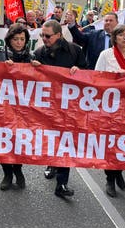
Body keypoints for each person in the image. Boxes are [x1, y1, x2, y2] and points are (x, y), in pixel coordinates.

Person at [32, 20, 86, 198]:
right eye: (42, 35)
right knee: (51, 138)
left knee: (66, 142)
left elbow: (89, 75)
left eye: (47, 36)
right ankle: (51, 163)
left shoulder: (75, 51)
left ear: (58, 35)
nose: (44, 39)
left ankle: (62, 183)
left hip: (70, 106)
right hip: (48, 106)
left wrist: (79, 70)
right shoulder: (39, 53)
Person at [94, 24, 125, 197]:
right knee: (111, 142)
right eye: (121, 35)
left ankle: (119, 170)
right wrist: (115, 77)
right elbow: (96, 78)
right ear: (115, 38)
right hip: (111, 105)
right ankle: (110, 178)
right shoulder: (105, 55)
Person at [0, 24, 32, 190]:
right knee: (4, 139)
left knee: (20, 140)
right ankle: (7, 173)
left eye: (22, 39)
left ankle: (18, 170)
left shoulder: (31, 57)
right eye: (16, 39)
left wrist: (37, 68)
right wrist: (2, 69)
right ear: (9, 40)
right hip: (3, 106)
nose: (19, 42)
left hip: (23, 108)